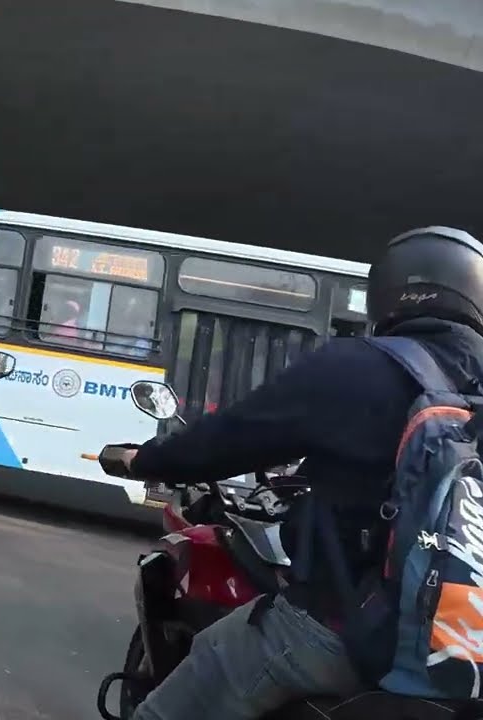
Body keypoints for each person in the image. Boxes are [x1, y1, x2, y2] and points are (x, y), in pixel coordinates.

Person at [103, 226, 483, 719]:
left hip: (346, 631)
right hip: (465, 652)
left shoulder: (358, 366)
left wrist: (145, 460)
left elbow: (229, 440)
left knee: (192, 685)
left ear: (389, 291)